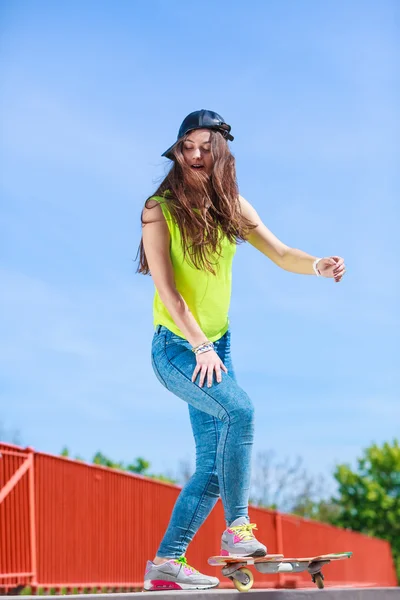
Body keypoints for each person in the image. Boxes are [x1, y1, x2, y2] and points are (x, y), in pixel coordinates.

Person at [137, 109, 346, 591]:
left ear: (220, 154)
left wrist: (318, 264)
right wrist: (201, 345)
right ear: (177, 151)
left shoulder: (233, 206)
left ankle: (166, 563)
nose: (194, 155)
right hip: (177, 348)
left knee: (214, 467)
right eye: (186, 146)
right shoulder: (158, 207)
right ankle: (238, 530)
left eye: (204, 147)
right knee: (242, 414)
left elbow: (281, 252)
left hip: (216, 348)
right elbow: (168, 292)